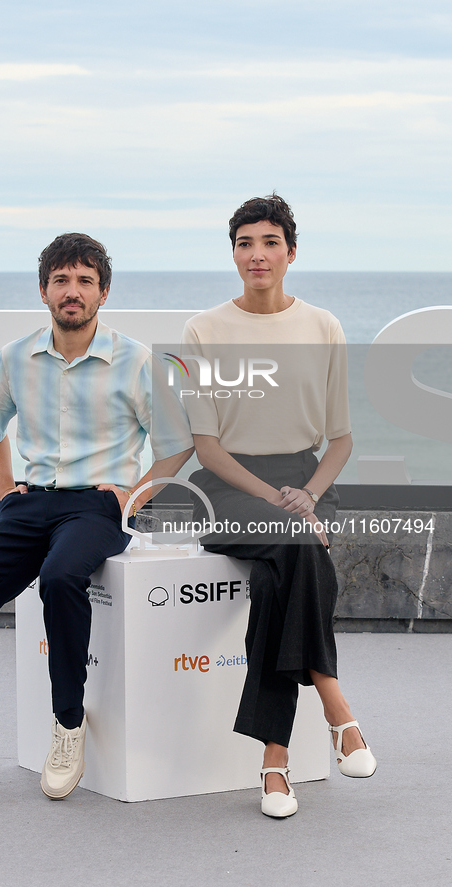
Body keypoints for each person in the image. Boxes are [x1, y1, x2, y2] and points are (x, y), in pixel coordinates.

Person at [0, 233, 193, 802]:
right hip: (30, 501)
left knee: (62, 578)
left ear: (103, 293)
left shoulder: (135, 360)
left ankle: (68, 724)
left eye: (85, 281)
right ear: (44, 291)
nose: (72, 292)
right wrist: (5, 494)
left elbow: (176, 443)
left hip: (96, 505)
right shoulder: (17, 356)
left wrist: (130, 499)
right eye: (61, 280)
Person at [181, 194, 376, 819]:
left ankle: (274, 761)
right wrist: (281, 502)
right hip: (230, 485)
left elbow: (341, 439)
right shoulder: (203, 330)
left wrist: (309, 495)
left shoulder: (323, 327)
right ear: (233, 254)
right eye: (244, 243)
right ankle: (336, 705)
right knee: (298, 544)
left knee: (273, 585)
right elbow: (206, 448)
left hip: (305, 477)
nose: (256, 254)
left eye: (269, 242)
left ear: (291, 253)